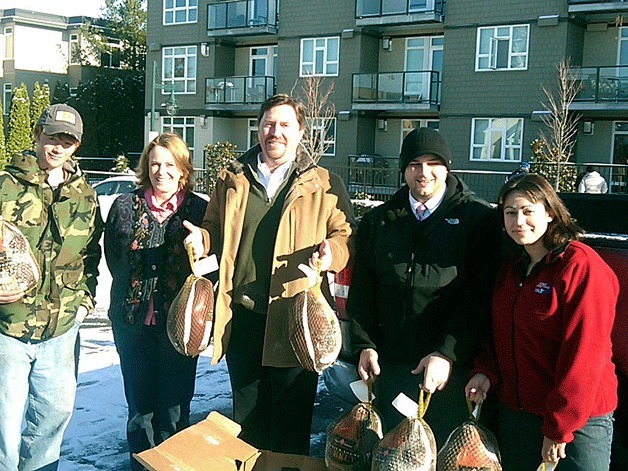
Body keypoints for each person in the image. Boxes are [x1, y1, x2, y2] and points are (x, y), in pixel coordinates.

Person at [184, 94, 355, 455]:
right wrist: (203, 238)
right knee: (247, 427)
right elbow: (213, 226)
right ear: (258, 128)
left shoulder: (324, 183)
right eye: (267, 123)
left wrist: (332, 253)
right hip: (243, 317)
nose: (274, 132)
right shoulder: (232, 178)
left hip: (296, 321)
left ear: (300, 131)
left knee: (290, 431)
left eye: (284, 125)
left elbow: (345, 236)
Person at [348, 127, 501, 446]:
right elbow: (363, 291)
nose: (424, 172)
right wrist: (364, 344)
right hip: (391, 369)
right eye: (415, 164)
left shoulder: (476, 219)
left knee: (444, 455)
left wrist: (447, 353)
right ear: (404, 169)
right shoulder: (379, 222)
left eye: (433, 163)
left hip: (450, 373)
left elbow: (478, 298)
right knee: (393, 457)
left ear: (447, 167)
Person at [466, 173, 618, 471]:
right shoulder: (512, 269)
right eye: (510, 213)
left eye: (528, 211)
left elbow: (585, 356)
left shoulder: (580, 267)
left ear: (549, 213)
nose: (518, 221)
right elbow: (501, 333)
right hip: (520, 416)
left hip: (578, 423)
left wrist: (559, 428)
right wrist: (485, 371)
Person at [0, 104, 102, 470]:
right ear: (37, 135)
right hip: (8, 327)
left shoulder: (85, 196)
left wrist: (84, 304)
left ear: (75, 146)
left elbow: (91, 255)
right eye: (51, 137)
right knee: (4, 431)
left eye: (66, 140)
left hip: (60, 328)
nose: (57, 147)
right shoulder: (5, 185)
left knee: (52, 419)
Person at [104, 133, 208, 469]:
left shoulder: (198, 209)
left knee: (174, 411)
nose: (161, 171)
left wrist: (200, 251)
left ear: (182, 170)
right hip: (133, 325)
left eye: (169, 164)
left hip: (180, 329)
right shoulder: (124, 206)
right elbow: (114, 258)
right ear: (146, 168)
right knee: (140, 412)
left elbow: (212, 269)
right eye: (154, 164)